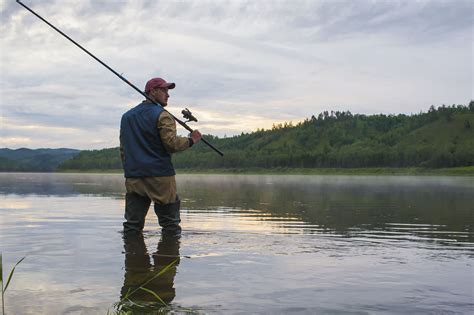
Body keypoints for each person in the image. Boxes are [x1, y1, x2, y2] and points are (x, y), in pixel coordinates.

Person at [120, 77, 202, 235]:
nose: (168, 95)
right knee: (170, 225)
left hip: (134, 177)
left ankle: (133, 257)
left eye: (168, 91)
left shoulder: (126, 117)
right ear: (152, 92)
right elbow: (171, 144)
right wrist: (192, 140)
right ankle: (169, 257)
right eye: (164, 90)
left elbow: (123, 149)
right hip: (160, 177)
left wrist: (130, 171)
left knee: (132, 226)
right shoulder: (164, 116)